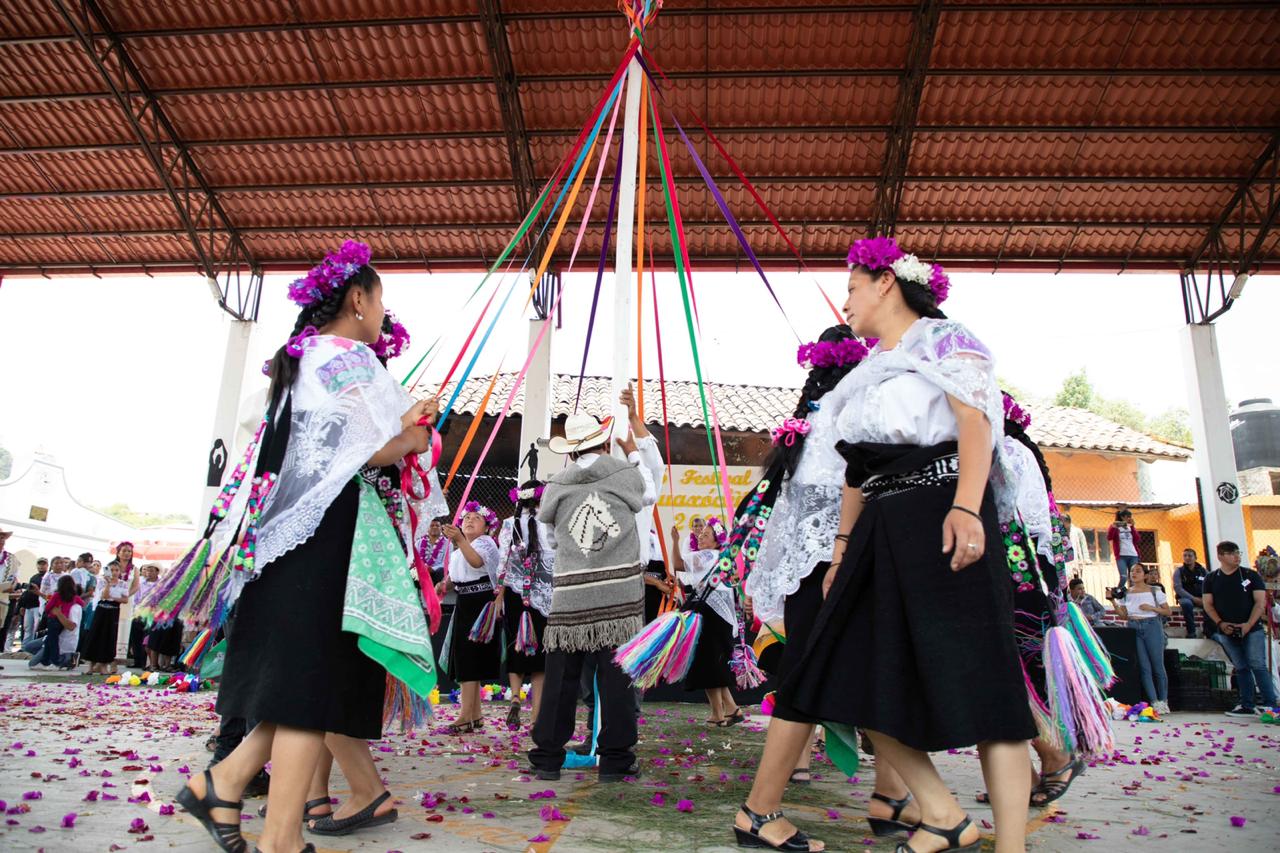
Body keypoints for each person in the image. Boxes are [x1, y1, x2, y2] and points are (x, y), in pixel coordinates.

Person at [736, 237, 1035, 853]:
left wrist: (964, 506)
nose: (845, 302)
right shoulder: (868, 370)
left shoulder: (949, 340)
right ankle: (943, 814)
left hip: (944, 508)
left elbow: (974, 418)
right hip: (879, 524)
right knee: (845, 671)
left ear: (884, 284)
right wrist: (843, 546)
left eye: (850, 287)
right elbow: (855, 467)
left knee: (987, 681)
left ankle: (1011, 845)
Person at [176, 241, 436, 853]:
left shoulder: (303, 358)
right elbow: (371, 449)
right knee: (308, 688)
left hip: (279, 535)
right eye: (378, 300)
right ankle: (279, 837)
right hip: (325, 530)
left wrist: (401, 429)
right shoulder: (352, 358)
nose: (380, 314)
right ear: (357, 299)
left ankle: (226, 783)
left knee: (302, 682)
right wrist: (417, 434)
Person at [527, 406, 653, 783]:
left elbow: (551, 540)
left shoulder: (557, 486)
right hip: (618, 597)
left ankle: (547, 758)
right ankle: (616, 760)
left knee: (561, 680)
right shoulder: (623, 474)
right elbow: (650, 490)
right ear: (602, 440)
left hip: (570, 599)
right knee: (617, 680)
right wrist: (631, 451)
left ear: (570, 448)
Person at [435, 503, 503, 734]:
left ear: (486, 526)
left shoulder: (485, 544)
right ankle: (474, 715)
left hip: (480, 603)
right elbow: (457, 577)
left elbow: (476, 563)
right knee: (466, 660)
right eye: (466, 518)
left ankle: (466, 716)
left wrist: (460, 540)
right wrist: (443, 585)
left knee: (469, 660)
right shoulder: (459, 549)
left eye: (476, 518)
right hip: (464, 602)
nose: (469, 521)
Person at [671, 517, 743, 726]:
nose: (700, 537)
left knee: (708, 665)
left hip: (711, 615)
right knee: (713, 665)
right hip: (717, 616)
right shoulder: (720, 557)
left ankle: (719, 713)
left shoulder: (708, 555)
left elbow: (676, 564)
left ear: (716, 540)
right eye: (699, 534)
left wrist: (674, 540)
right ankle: (730, 709)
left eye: (705, 535)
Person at [497, 480, 555, 729]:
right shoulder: (548, 523)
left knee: (516, 647)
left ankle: (516, 697)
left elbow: (502, 563)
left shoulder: (509, 525)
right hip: (542, 598)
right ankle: (537, 716)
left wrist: (499, 593)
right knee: (540, 657)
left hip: (513, 594)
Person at [1203, 541, 1277, 717]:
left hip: (1252, 629)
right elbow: (1208, 604)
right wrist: (1220, 623)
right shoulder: (1212, 578)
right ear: (1221, 556)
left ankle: (1271, 705)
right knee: (1241, 666)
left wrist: (1248, 625)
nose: (1236, 556)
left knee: (1257, 664)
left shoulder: (1250, 575)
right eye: (1231, 553)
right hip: (1226, 630)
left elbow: (1260, 603)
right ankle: (1247, 704)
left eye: (1238, 553)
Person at [1113, 562, 1171, 715]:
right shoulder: (1126, 593)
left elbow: (1167, 611)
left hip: (1152, 624)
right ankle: (1154, 701)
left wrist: (1152, 608)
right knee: (1145, 667)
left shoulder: (1154, 590)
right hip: (1134, 626)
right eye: (1132, 571)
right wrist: (1112, 601)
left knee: (1157, 665)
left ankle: (1164, 701)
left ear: (1145, 575)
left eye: (1138, 571)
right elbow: (1123, 615)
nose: (1134, 573)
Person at [23, 574, 82, 670]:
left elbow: (71, 627)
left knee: (33, 663)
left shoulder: (74, 607)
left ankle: (62, 660)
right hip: (54, 634)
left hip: (63, 642)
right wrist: (39, 593)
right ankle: (50, 658)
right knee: (29, 646)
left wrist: (57, 613)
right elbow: (51, 599)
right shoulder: (70, 599)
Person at [83, 562, 129, 674]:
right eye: (111, 570)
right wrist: (108, 584)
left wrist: (113, 598)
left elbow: (125, 599)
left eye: (116, 570)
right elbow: (104, 596)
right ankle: (91, 666)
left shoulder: (123, 584)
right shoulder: (101, 581)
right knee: (95, 636)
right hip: (101, 610)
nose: (114, 572)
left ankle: (104, 666)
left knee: (109, 637)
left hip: (113, 612)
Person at [128, 563, 159, 669]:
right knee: (136, 638)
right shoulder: (141, 584)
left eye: (151, 570)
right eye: (147, 570)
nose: (148, 573)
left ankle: (149, 662)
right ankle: (138, 661)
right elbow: (136, 599)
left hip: (152, 614)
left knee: (147, 639)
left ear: (157, 572)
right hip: (139, 612)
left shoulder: (161, 584)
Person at [1173, 548, 1209, 639]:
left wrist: (1204, 598)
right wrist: (1193, 598)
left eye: (1190, 555)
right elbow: (1178, 588)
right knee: (1186, 604)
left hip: (1201, 597)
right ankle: (1191, 632)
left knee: (1210, 605)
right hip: (1186, 598)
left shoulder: (1203, 571)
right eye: (1185, 555)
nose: (1187, 557)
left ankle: (1208, 631)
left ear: (1195, 557)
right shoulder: (1179, 571)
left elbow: (1210, 584)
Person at [17, 558, 48, 649]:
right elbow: (28, 592)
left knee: (37, 628)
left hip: (39, 605)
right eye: (40, 564)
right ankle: (25, 647)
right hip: (29, 606)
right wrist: (22, 605)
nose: (41, 566)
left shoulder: (48, 576)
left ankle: (33, 648)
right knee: (27, 628)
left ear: (47, 565)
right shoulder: (34, 577)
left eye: (43, 564)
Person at [1107, 509, 1140, 591]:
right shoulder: (1116, 527)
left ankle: (1133, 594)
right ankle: (1118, 592)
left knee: (1134, 578)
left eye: (1130, 517)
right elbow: (1109, 537)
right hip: (1121, 556)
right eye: (1127, 517)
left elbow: (1137, 539)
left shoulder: (1130, 527)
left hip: (1133, 555)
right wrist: (1113, 527)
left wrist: (1132, 526)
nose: (1129, 518)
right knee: (1123, 577)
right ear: (1122, 517)